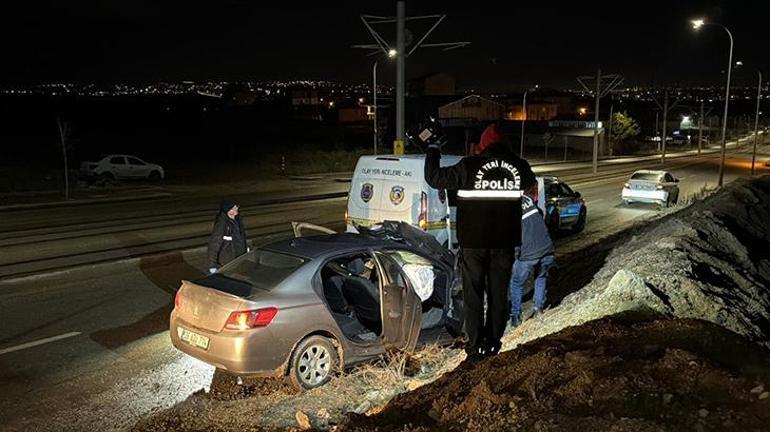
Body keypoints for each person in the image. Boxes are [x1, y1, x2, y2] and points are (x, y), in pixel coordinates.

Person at [424, 123, 536, 362]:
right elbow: (529, 180)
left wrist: (433, 148)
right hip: (504, 244)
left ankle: (475, 348)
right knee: (498, 295)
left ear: (482, 145)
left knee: (473, 295)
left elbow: (434, 178)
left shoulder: (468, 167)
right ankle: (493, 343)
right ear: (505, 144)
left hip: (473, 244)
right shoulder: (519, 167)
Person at [509, 195, 555, 328]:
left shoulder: (507, 207)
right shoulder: (526, 198)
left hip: (529, 251)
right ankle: (538, 308)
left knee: (517, 282)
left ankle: (516, 317)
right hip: (547, 247)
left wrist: (517, 254)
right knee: (541, 276)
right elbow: (539, 215)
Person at [207, 199, 247, 274]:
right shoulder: (222, 224)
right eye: (233, 210)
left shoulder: (238, 220)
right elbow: (214, 244)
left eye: (236, 210)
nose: (235, 213)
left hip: (238, 260)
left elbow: (242, 239)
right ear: (227, 210)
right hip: (226, 263)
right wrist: (212, 264)